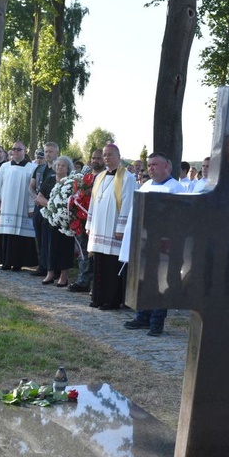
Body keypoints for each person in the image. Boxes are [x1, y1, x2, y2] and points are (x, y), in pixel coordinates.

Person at [122, 152, 186, 336]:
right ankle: (142, 317)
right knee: (145, 279)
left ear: (167, 166)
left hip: (165, 244)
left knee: (161, 281)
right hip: (144, 243)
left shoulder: (176, 189)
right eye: (149, 165)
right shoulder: (146, 186)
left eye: (155, 165)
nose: (150, 168)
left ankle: (156, 322)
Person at [85, 143, 137, 310]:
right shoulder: (99, 177)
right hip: (99, 228)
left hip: (114, 229)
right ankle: (98, 297)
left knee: (111, 265)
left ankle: (112, 300)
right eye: (105, 155)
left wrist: (121, 228)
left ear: (118, 157)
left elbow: (128, 203)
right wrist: (89, 224)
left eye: (110, 155)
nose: (106, 158)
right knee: (99, 263)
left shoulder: (127, 178)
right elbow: (93, 201)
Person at [0, 141, 39, 271]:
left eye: (19, 149)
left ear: (25, 151)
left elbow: (33, 189)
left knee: (21, 236)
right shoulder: (5, 167)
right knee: (7, 234)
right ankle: (5, 261)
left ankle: (18, 263)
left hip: (23, 207)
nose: (15, 151)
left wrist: (32, 207)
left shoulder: (31, 168)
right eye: (14, 149)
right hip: (7, 206)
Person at [36, 156, 76, 287]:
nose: (59, 167)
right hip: (50, 219)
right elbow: (39, 197)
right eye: (58, 165)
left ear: (68, 168)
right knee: (49, 245)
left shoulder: (71, 182)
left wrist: (63, 210)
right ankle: (50, 273)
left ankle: (64, 276)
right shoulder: (49, 180)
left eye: (63, 165)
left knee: (64, 247)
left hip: (65, 221)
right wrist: (51, 205)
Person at [69, 148, 104, 293]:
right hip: (82, 218)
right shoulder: (85, 176)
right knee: (83, 250)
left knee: (95, 252)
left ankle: (96, 282)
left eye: (99, 158)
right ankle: (83, 280)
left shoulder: (106, 176)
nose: (95, 161)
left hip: (98, 220)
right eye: (93, 158)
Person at [29, 143, 59, 277]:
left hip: (53, 210)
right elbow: (31, 186)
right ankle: (42, 266)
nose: (48, 154)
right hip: (38, 207)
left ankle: (52, 268)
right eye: (46, 151)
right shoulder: (39, 168)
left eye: (51, 152)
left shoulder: (59, 169)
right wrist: (36, 197)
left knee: (51, 240)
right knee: (39, 237)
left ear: (57, 153)